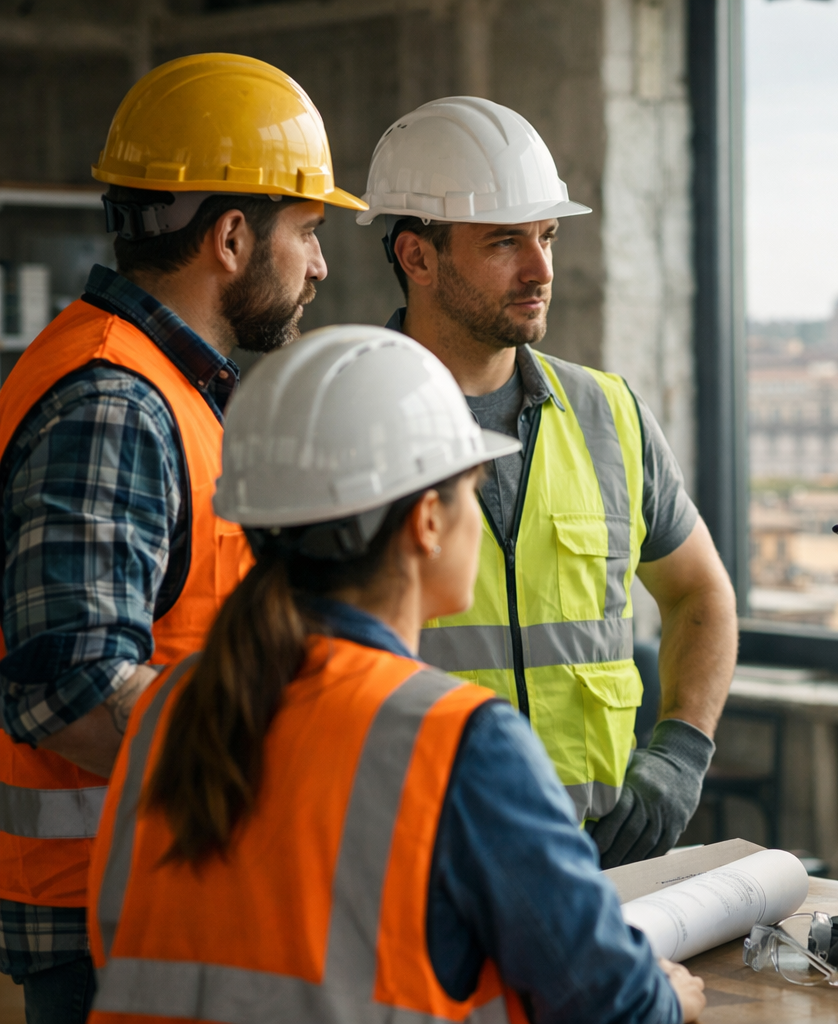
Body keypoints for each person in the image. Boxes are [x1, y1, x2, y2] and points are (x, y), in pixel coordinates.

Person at [85, 326, 706, 1024]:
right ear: (427, 524)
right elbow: (608, 1005)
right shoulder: (457, 741)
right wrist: (666, 997)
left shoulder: (171, 703)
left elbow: (121, 946)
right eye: (471, 487)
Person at [0, 53, 365, 1021]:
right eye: (312, 230)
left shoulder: (170, 389)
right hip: (110, 923)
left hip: (156, 899)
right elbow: (68, 685)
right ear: (234, 237)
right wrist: (287, 764)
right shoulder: (115, 401)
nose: (322, 265)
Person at [356, 98, 737, 866]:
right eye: (505, 242)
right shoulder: (344, 422)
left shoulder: (609, 415)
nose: (542, 270)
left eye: (548, 236)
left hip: (596, 866)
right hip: (417, 868)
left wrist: (679, 755)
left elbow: (702, 594)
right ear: (416, 257)